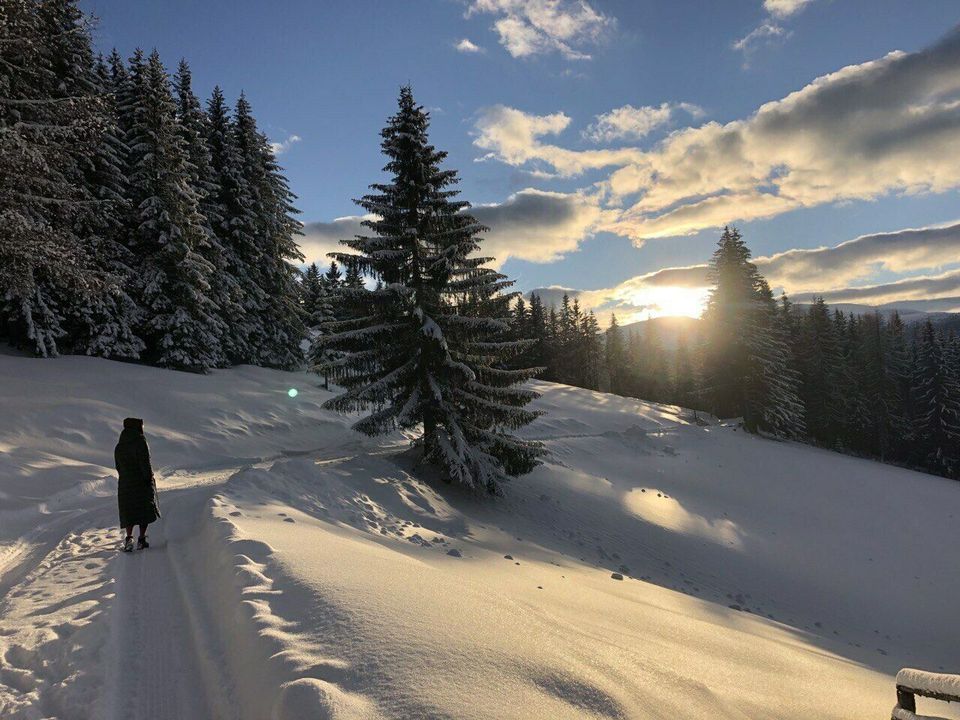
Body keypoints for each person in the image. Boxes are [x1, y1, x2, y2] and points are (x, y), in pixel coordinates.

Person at [114, 417, 161, 552]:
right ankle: (141, 539)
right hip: (141, 482)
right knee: (143, 510)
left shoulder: (119, 446)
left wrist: (126, 477)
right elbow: (145, 462)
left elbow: (118, 467)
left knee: (128, 511)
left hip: (125, 483)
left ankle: (129, 538)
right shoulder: (140, 441)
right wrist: (149, 478)